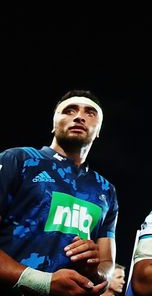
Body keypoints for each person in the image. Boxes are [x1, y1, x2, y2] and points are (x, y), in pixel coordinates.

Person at [0, 89, 118, 295]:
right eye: (69, 111)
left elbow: (106, 266)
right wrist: (41, 282)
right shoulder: (17, 160)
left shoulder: (106, 189)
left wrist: (95, 273)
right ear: (53, 124)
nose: (79, 116)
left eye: (90, 113)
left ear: (98, 129)